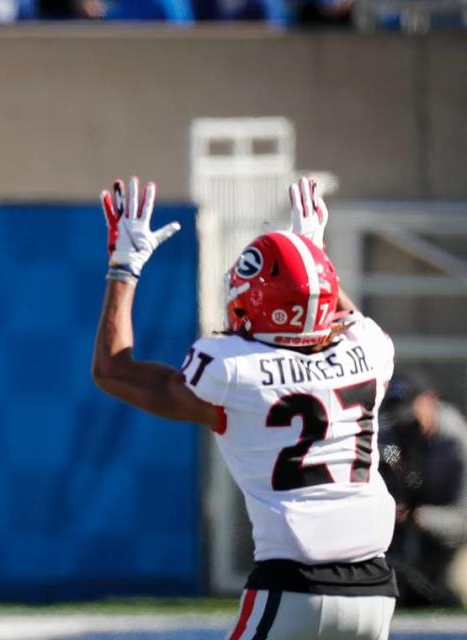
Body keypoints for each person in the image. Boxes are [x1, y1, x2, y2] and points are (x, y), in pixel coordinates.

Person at [92, 177, 397, 638]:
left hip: (293, 583)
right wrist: (313, 255)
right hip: (375, 589)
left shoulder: (233, 372)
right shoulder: (370, 351)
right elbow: (337, 311)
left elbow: (113, 370)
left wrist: (124, 267)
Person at [379, 373, 467, 607]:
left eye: (410, 411)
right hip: (405, 547)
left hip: (454, 549)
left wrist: (419, 517)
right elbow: (391, 465)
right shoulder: (395, 439)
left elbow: (463, 520)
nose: (404, 421)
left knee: (454, 588)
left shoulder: (457, 445)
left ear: (430, 400)